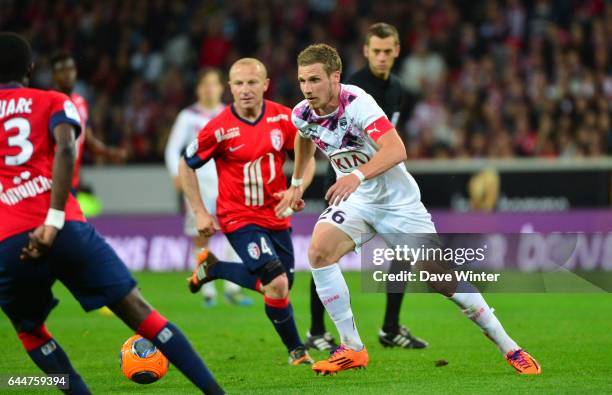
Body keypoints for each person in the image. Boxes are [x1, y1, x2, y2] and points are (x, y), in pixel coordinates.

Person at [278, 43, 541, 375]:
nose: (307, 89)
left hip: (398, 204)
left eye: (314, 80)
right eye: (302, 81)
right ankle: (353, 348)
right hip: (359, 201)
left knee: (441, 282)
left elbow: (396, 149)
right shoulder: (302, 112)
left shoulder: (357, 103)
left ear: (335, 77)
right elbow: (304, 137)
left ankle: (511, 348)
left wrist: (356, 175)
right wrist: (297, 184)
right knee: (318, 252)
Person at [0, 32, 224, 394]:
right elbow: (67, 148)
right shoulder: (55, 100)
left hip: (9, 240)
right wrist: (53, 221)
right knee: (135, 308)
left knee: (30, 331)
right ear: (31, 68)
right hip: (66, 227)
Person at [179, 58, 316, 366]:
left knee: (280, 287)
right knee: (276, 281)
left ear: (265, 85)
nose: (245, 90)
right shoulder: (218, 129)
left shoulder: (285, 118)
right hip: (237, 216)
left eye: (252, 83)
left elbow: (307, 158)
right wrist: (200, 211)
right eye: (238, 84)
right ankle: (297, 351)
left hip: (277, 215)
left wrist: (297, 188)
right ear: (230, 88)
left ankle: (214, 269)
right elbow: (185, 165)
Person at [305, 22, 427, 351]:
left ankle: (390, 327)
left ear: (397, 51)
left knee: (403, 253)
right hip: (344, 184)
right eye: (377, 51)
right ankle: (317, 330)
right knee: (325, 254)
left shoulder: (398, 88)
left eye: (388, 51)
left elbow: (389, 141)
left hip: (380, 181)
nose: (383, 57)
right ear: (366, 51)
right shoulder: (352, 87)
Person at [165, 68, 252, 307]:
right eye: (205, 84)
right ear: (198, 89)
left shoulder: (230, 113)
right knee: (201, 237)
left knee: (235, 233)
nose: (209, 89)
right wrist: (176, 173)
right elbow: (172, 149)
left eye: (213, 84)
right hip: (199, 185)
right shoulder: (188, 116)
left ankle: (233, 289)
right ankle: (208, 291)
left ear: (221, 87)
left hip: (228, 182)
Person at [50, 52, 127, 192]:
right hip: (49, 184)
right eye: (62, 70)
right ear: (53, 75)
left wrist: (111, 152)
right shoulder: (47, 103)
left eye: (71, 69)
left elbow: (88, 142)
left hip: (72, 183)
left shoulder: (80, 103)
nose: (68, 74)